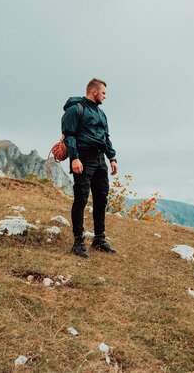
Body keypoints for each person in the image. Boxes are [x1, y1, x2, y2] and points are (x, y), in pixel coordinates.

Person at [61, 78, 118, 258]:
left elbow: (106, 137)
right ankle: (78, 242)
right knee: (81, 198)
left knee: (101, 198)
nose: (105, 97)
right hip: (83, 158)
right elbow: (69, 136)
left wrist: (112, 158)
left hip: (100, 159)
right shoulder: (75, 109)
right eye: (103, 93)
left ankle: (99, 240)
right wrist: (74, 158)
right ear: (94, 91)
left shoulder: (102, 114)